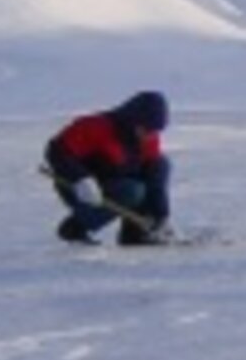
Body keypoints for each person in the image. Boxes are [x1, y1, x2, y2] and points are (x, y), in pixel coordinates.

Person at [44, 90, 173, 246]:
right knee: (132, 190)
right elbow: (56, 151)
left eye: (154, 131)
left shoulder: (148, 138)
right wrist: (81, 178)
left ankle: (136, 234)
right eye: (146, 129)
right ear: (132, 120)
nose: (150, 136)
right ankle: (75, 228)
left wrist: (160, 216)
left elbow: (155, 178)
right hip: (79, 188)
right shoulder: (96, 127)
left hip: (115, 183)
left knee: (160, 165)